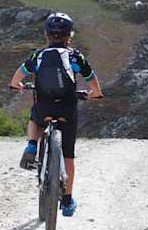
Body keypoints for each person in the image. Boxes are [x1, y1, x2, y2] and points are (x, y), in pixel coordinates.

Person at [8, 12, 102, 217]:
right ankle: (67, 201)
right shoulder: (76, 56)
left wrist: (17, 85)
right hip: (67, 108)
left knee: (35, 118)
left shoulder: (38, 56)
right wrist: (95, 93)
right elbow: (91, 78)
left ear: (46, 35)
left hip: (44, 106)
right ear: (70, 35)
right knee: (68, 155)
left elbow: (18, 75)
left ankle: (32, 144)